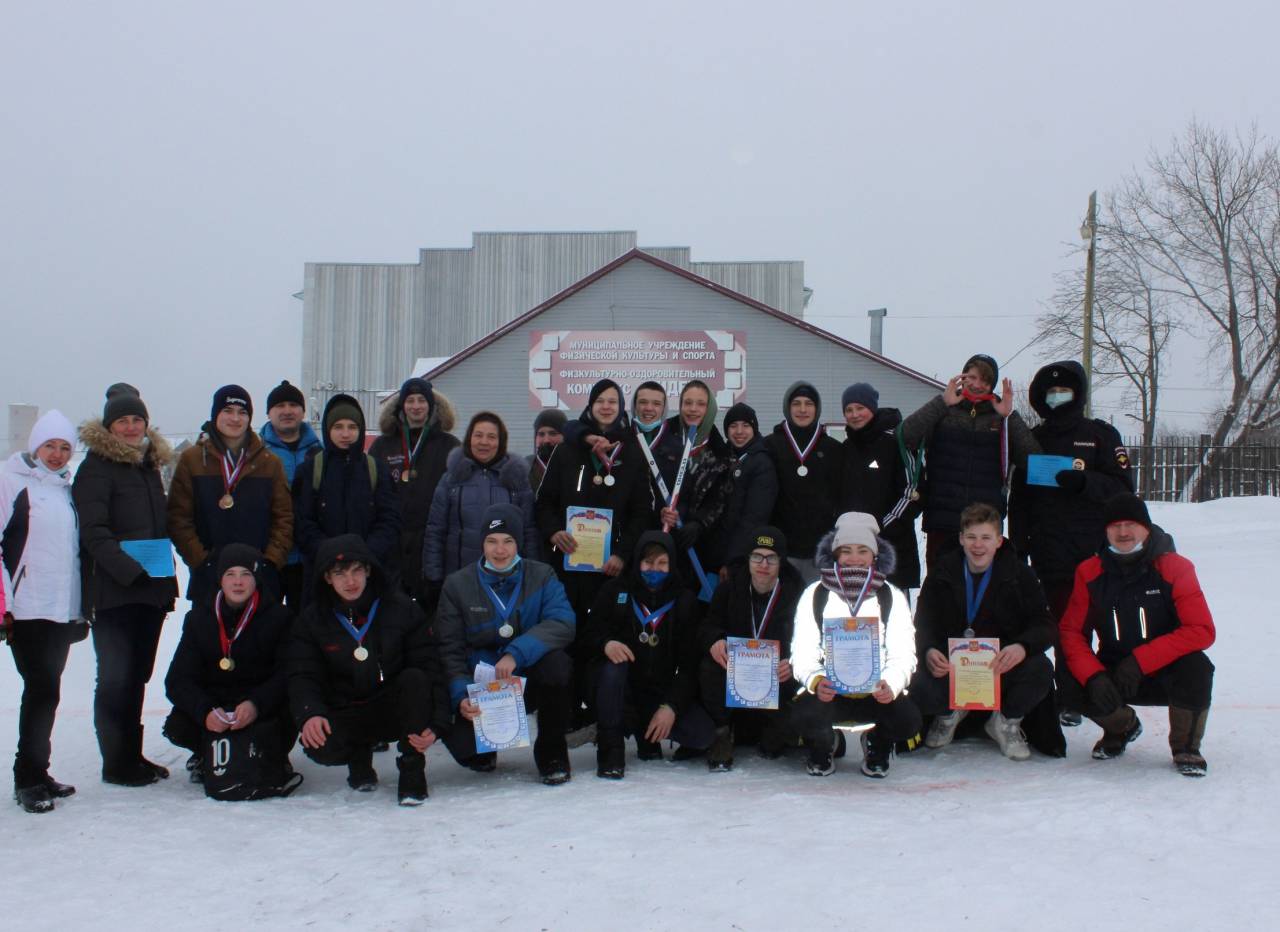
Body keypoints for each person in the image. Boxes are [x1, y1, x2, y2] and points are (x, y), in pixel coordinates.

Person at [1009, 360, 1133, 725]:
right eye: (1050, 391)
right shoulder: (1036, 440)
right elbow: (1021, 498)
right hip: (1050, 551)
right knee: (1065, 627)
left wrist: (1084, 482)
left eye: (1063, 390)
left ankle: (1111, 690)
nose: (1057, 396)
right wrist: (1019, 544)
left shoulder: (1100, 436)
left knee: (1103, 626)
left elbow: (1124, 490)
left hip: (1097, 552)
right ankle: (1069, 697)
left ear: (1077, 393)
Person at [1059, 494, 1215, 776]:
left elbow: (1201, 630)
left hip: (1165, 669)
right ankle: (1121, 727)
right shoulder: (1089, 572)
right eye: (1115, 525)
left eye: (1131, 524)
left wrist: (1141, 661)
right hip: (1115, 672)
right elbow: (1071, 632)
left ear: (1146, 527)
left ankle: (1186, 747)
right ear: (1105, 530)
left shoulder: (1175, 567)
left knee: (1198, 668)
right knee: (1070, 676)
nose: (1123, 532)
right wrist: (1094, 676)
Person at [290, 534, 447, 805]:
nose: (350, 581)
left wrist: (437, 724)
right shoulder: (311, 621)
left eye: (356, 571)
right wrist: (309, 713)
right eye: (340, 574)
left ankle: (411, 767)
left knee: (415, 679)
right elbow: (302, 675)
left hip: (390, 707)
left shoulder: (401, 609)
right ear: (327, 578)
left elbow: (430, 666)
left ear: (368, 571)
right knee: (320, 743)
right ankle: (357, 758)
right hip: (345, 710)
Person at [74, 384, 179, 786]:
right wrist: (127, 569)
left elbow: (159, 526)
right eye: (123, 420)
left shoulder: (149, 466)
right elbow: (93, 532)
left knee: (138, 672)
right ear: (109, 426)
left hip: (150, 588)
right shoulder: (96, 468)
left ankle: (131, 754)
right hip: (115, 590)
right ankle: (115, 763)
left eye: (138, 420)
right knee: (116, 675)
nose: (132, 427)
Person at [434, 504, 576, 785]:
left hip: (526, 675)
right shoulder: (457, 585)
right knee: (467, 751)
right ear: (482, 543)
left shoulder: (542, 575)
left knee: (558, 665)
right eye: (492, 541)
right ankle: (486, 747)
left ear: (518, 543)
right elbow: (450, 648)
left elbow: (563, 622)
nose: (500, 550)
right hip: (484, 687)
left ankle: (551, 751)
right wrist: (461, 696)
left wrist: (516, 653)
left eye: (508, 541)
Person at [910, 503, 1058, 761]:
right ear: (961, 539)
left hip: (1000, 668)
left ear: (999, 541)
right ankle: (948, 715)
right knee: (916, 677)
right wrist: (929, 650)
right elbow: (923, 622)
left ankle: (1006, 722)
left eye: (986, 538)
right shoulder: (941, 573)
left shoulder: (1020, 574)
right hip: (953, 669)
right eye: (971, 537)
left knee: (1041, 668)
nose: (978, 545)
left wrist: (1021, 647)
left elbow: (1044, 624)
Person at [789, 512, 919, 778]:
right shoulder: (815, 594)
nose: (854, 558)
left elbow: (904, 653)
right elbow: (802, 651)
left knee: (909, 720)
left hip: (874, 694)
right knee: (800, 715)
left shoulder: (890, 596)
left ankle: (877, 743)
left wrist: (891, 684)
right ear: (835, 554)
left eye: (863, 550)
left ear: (875, 555)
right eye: (846, 550)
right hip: (831, 694)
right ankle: (825, 743)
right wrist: (816, 680)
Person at [1, 411, 85, 812]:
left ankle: (39, 770)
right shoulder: (11, 481)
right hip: (27, 607)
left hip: (59, 609)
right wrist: (5, 603)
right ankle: (27, 778)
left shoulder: (65, 488)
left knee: (47, 692)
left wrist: (77, 609)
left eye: (64, 447)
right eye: (50, 445)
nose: (56, 454)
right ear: (35, 445)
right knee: (40, 690)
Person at [162, 544, 295, 787]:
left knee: (289, 713)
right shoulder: (198, 619)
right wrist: (205, 711)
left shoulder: (279, 617)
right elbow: (177, 680)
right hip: (217, 706)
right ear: (220, 580)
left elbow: (287, 674)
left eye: (246, 575)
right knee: (178, 725)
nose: (238, 582)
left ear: (256, 579)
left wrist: (256, 704)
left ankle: (273, 756)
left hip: (258, 706)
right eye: (230, 574)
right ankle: (206, 752)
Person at [585, 531, 714, 778]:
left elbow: (690, 664)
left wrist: (672, 706)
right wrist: (606, 643)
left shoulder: (685, 600)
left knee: (702, 735)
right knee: (613, 668)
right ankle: (611, 750)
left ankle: (650, 732)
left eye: (662, 563)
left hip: (661, 691)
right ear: (637, 562)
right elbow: (589, 633)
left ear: (672, 564)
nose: (654, 569)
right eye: (648, 562)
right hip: (623, 690)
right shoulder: (615, 591)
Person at [899, 354, 1038, 571]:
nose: (977, 384)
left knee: (984, 593)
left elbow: (1032, 461)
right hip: (943, 521)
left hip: (985, 526)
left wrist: (1009, 416)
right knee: (942, 589)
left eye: (985, 380)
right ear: (962, 377)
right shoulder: (944, 412)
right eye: (972, 377)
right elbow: (905, 436)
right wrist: (942, 402)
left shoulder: (1001, 419)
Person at [167, 385, 293, 605]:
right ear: (216, 415)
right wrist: (202, 561)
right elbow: (179, 518)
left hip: (258, 576)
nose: (235, 418)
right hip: (209, 577)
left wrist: (270, 562)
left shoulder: (270, 463)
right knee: (207, 637)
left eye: (242, 412)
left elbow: (284, 518)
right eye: (228, 411)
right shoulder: (192, 460)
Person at [698, 527, 805, 771]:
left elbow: (810, 639)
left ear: (781, 561)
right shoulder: (729, 587)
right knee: (709, 666)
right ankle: (722, 733)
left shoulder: (797, 591)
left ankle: (774, 731)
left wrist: (794, 661)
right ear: (748, 559)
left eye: (771, 558)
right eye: (757, 556)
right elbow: (708, 624)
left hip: (778, 681)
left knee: (778, 739)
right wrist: (715, 640)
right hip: (737, 678)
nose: (763, 565)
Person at [424, 411, 539, 606]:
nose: (484, 442)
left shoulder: (517, 480)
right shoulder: (451, 479)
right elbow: (435, 530)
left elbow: (529, 531)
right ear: (469, 438)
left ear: (501, 441)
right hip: (459, 579)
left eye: (491, 436)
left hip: (507, 579)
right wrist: (433, 576)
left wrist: (533, 576)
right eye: (478, 435)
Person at [292, 393, 401, 600]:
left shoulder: (375, 469)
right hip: (323, 575)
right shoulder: (310, 470)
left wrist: (364, 556)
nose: (345, 434)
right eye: (338, 427)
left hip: (368, 574)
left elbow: (390, 519)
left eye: (352, 427)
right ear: (327, 430)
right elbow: (302, 522)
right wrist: (331, 557)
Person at [368, 378, 459, 600]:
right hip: (392, 542)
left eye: (421, 400)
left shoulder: (450, 446)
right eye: (410, 400)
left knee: (430, 606)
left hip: (433, 542)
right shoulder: (383, 445)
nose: (416, 406)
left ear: (431, 405)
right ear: (401, 405)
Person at [837, 382, 922, 592]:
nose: (855, 414)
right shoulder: (845, 449)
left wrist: (881, 527)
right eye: (849, 410)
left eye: (860, 408)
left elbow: (912, 493)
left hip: (892, 549)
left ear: (872, 408)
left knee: (893, 616)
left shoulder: (896, 443)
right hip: (855, 552)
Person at [652, 380, 734, 588]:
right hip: (659, 544)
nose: (693, 409)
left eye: (700, 404)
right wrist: (658, 512)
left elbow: (720, 500)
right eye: (687, 403)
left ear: (710, 408)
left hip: (699, 549)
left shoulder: (720, 452)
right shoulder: (661, 438)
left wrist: (698, 523)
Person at [765, 382, 843, 584]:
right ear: (787, 408)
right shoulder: (771, 445)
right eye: (796, 403)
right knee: (783, 609)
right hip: (782, 549)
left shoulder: (833, 448)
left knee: (814, 609)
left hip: (819, 551)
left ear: (816, 409)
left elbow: (841, 496)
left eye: (809, 404)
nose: (802, 410)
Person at [259, 380, 322, 614]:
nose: (287, 411)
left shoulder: (320, 451)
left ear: (303, 411)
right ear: (269, 412)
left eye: (293, 404)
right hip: (270, 557)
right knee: (267, 625)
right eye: (280, 405)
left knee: (304, 627)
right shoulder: (255, 453)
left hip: (308, 559)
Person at [718, 403, 778, 576]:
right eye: (733, 426)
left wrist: (732, 560)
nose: (739, 431)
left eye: (745, 425)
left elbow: (753, 519)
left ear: (754, 428)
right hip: (718, 552)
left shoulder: (761, 462)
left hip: (741, 556)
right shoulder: (723, 456)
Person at [527, 408, 567, 493]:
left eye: (553, 433)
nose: (546, 440)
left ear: (565, 436)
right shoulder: (524, 467)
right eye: (541, 434)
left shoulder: (577, 466)